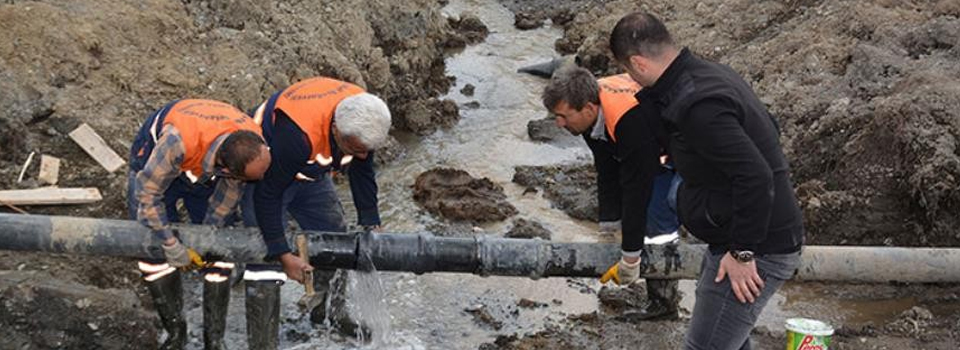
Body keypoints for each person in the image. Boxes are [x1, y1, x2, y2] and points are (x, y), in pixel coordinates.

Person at [609, 12, 805, 349]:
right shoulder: (707, 75)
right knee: (728, 339)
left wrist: (743, 252)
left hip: (758, 246)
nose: (631, 80)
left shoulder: (697, 105)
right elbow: (768, 128)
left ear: (638, 63)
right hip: (742, 234)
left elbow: (756, 175)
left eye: (628, 71)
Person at [241, 76, 391, 346]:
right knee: (263, 256)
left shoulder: (363, 113)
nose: (360, 155)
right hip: (269, 174)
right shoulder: (296, 134)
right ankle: (262, 342)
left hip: (310, 175)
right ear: (336, 130)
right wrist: (283, 254)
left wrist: (371, 221)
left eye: (365, 150)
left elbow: (363, 170)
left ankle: (328, 313)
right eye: (355, 149)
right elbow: (269, 195)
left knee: (336, 240)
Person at [128, 99, 270, 350]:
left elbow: (225, 201)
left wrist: (208, 239)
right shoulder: (176, 141)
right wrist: (170, 243)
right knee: (152, 251)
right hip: (160, 160)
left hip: (206, 168)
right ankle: (175, 333)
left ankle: (214, 340)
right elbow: (148, 196)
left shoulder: (253, 144)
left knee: (219, 253)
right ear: (226, 168)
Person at [542, 66, 682, 320]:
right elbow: (607, 170)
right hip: (650, 144)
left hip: (683, 146)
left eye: (563, 116)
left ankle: (664, 303)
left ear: (588, 109)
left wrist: (629, 258)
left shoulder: (628, 119)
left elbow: (636, 189)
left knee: (657, 221)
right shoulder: (590, 113)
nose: (558, 123)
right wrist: (608, 228)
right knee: (638, 208)